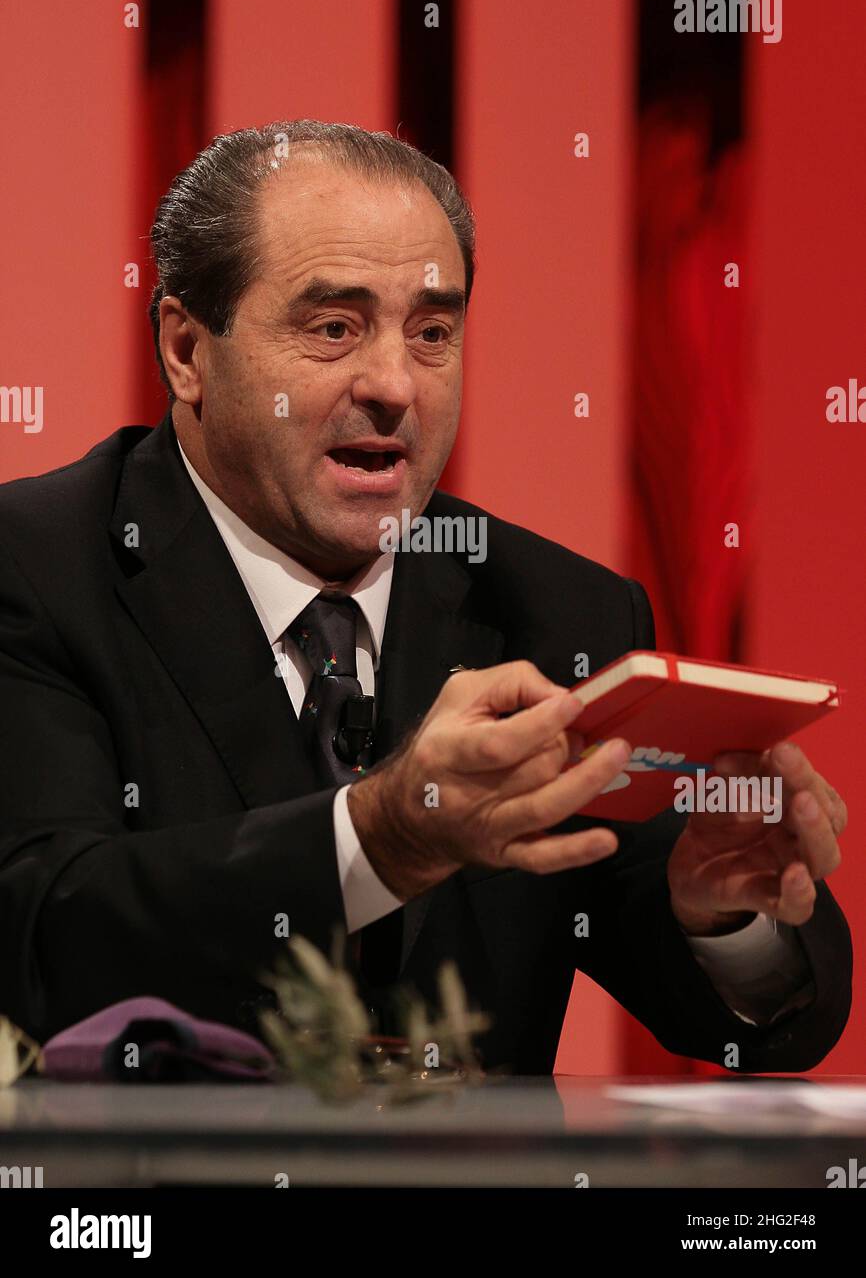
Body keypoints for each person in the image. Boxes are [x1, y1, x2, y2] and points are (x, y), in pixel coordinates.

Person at [0, 121, 850, 1073]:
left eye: (433, 332)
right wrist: (378, 840)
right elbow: (42, 931)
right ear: (187, 347)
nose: (396, 384)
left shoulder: (561, 615)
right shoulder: (37, 570)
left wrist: (725, 909)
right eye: (335, 327)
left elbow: (737, 1008)